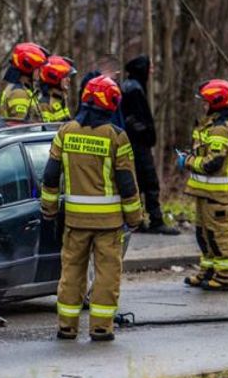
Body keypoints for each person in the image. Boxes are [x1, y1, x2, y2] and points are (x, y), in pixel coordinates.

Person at [40, 75, 143, 341]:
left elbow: (50, 176)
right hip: (108, 226)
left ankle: (67, 326)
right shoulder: (116, 137)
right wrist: (134, 218)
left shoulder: (66, 132)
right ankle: (100, 328)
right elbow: (127, 183)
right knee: (107, 275)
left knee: (71, 274)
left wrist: (49, 210)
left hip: (74, 223)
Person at [178, 79, 228, 291]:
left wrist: (188, 162)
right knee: (203, 234)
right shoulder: (209, 123)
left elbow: (214, 163)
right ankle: (209, 271)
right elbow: (203, 151)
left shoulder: (221, 128)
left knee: (218, 234)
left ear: (217, 102)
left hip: (216, 194)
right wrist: (190, 155)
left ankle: (226, 276)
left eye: (205, 101)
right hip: (204, 191)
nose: (202, 104)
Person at [121, 55, 179, 235]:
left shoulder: (128, 87)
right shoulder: (134, 89)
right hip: (138, 144)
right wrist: (146, 134)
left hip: (132, 143)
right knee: (150, 182)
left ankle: (136, 220)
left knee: (137, 182)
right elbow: (134, 119)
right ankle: (155, 220)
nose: (152, 71)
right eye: (149, 67)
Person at [0, 42, 48, 122]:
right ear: (28, 67)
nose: (41, 72)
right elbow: (20, 128)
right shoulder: (19, 93)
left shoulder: (23, 89)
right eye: (39, 68)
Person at [36, 55, 75, 122]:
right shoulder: (45, 104)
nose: (69, 80)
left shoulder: (60, 99)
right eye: (65, 76)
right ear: (54, 77)